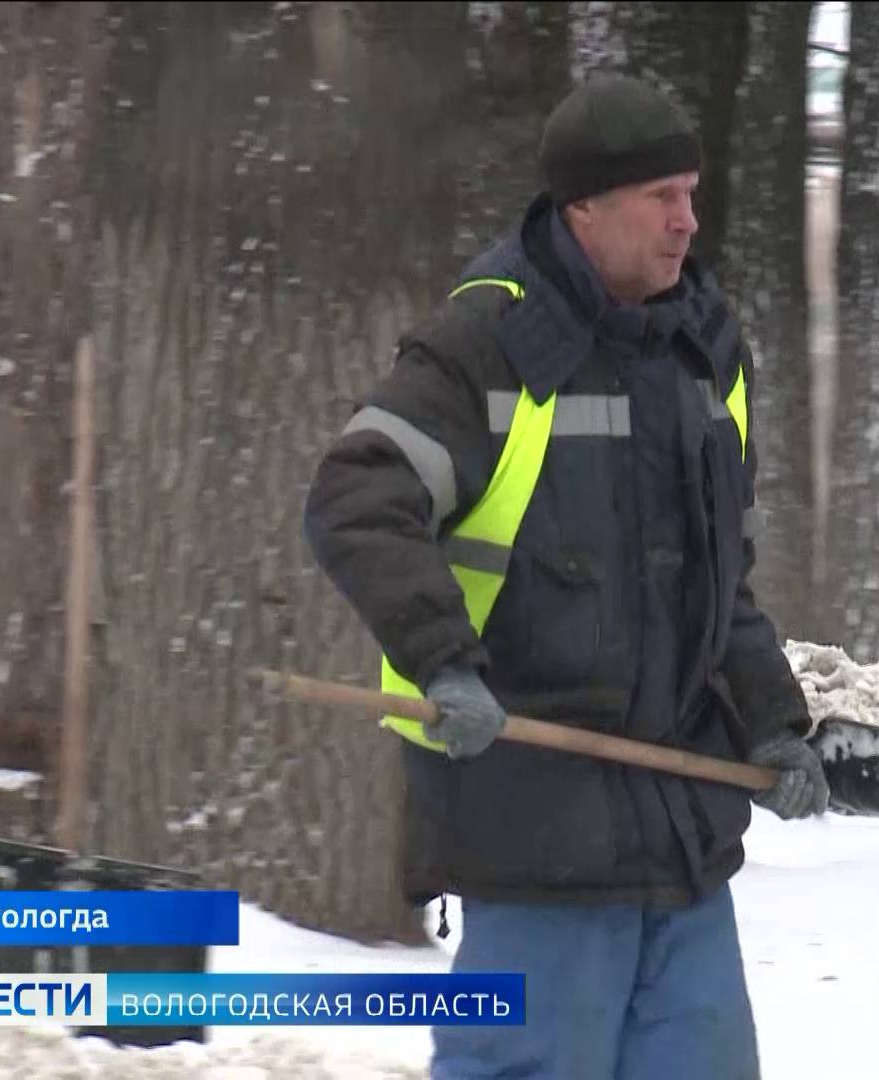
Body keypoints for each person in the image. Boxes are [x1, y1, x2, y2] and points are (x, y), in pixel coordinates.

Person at [301, 74, 829, 1080]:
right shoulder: (487, 349)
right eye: (661, 198)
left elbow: (726, 587)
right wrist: (442, 663)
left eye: (693, 192)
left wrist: (775, 723)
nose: (689, 222)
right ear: (584, 205)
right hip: (532, 843)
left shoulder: (703, 356)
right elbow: (355, 495)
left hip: (681, 854)